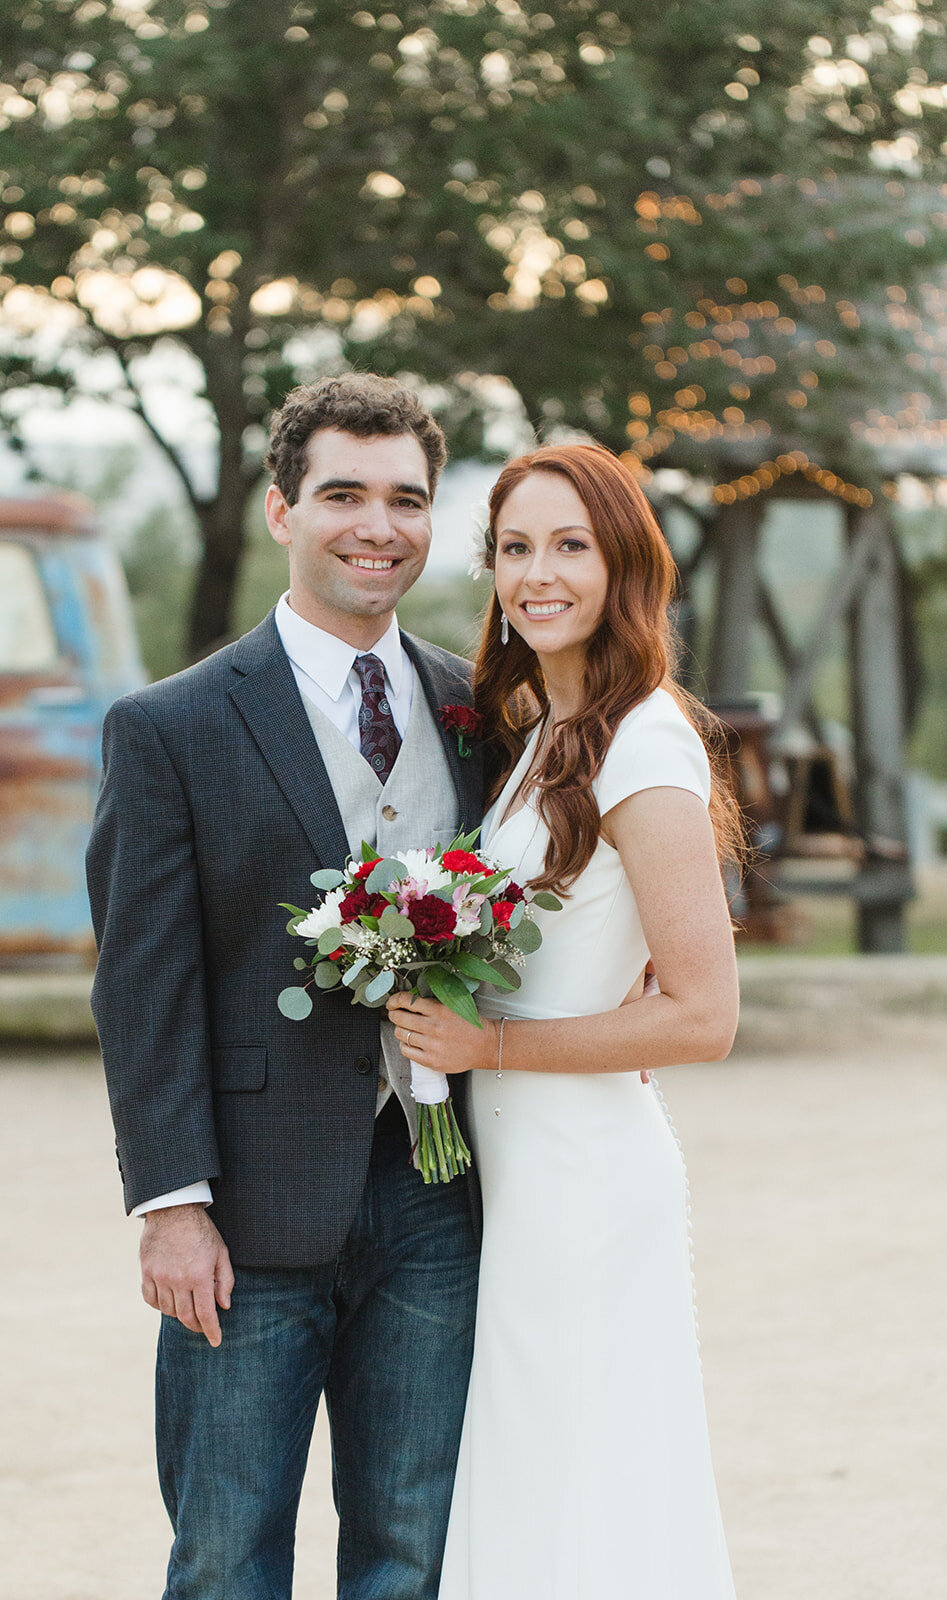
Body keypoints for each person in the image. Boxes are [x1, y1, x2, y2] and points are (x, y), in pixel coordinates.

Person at [86, 373, 483, 1600]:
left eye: (405, 499)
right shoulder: (171, 726)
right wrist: (170, 1203)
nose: (378, 526)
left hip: (438, 1195)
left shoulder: (477, 708)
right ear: (281, 510)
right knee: (223, 1556)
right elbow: (140, 987)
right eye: (343, 495)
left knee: (411, 1549)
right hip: (245, 1211)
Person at [387, 442, 742, 1599]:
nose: (536, 573)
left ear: (621, 562)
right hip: (523, 1166)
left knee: (586, 1475)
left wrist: (487, 1046)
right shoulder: (544, 730)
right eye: (515, 548)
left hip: (585, 1175)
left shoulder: (642, 740)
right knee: (538, 1469)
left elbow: (700, 1014)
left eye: (568, 545)